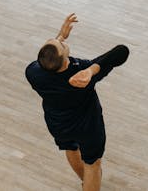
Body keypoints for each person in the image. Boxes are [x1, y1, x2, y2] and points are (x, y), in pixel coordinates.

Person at [26, 13, 129, 191]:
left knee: (70, 147)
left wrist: (60, 36)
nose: (60, 41)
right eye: (60, 44)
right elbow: (121, 51)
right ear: (65, 59)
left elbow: (48, 56)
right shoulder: (81, 72)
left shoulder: (34, 72)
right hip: (87, 126)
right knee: (93, 164)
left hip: (58, 124)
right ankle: (90, 182)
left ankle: (86, 181)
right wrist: (92, 70)